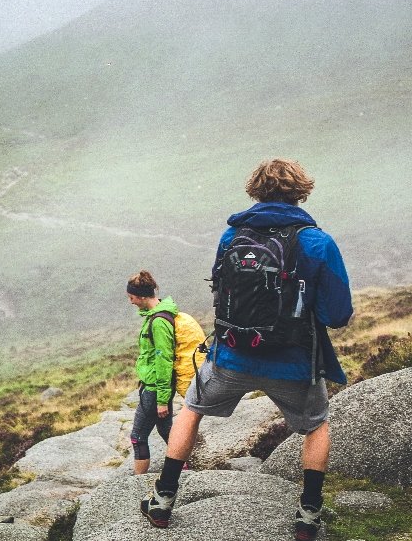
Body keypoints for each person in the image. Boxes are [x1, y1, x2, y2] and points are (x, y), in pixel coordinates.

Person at [140, 159, 354, 541]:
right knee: (316, 425)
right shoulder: (317, 241)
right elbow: (337, 314)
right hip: (293, 362)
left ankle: (162, 500)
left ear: (254, 189)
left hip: (232, 355)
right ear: (301, 190)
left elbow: (221, 292)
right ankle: (307, 516)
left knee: (190, 411)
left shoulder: (232, 236)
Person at [127, 270, 179, 475]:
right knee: (167, 432)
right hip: (153, 388)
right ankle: (184, 471)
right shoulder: (156, 315)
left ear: (141, 296)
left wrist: (162, 400)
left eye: (131, 297)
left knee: (137, 436)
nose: (130, 302)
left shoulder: (158, 322)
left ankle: (137, 484)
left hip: (154, 390)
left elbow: (164, 360)